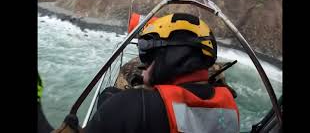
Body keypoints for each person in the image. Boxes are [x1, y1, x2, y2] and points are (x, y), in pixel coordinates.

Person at [44, 13, 240, 133]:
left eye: (148, 55)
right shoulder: (230, 107)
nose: (144, 65)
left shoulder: (133, 106)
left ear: (174, 56)